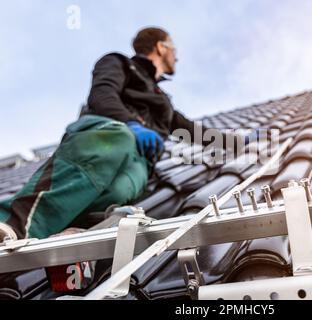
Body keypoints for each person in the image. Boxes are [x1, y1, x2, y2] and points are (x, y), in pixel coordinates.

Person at [0, 27, 243, 242]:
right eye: (174, 48)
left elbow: (192, 130)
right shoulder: (120, 63)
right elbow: (102, 95)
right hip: (105, 132)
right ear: (161, 47)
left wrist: (240, 142)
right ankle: (12, 225)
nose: (177, 56)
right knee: (118, 140)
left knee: (121, 190)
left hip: (138, 159)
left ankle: (71, 231)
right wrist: (132, 125)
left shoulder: (163, 101)